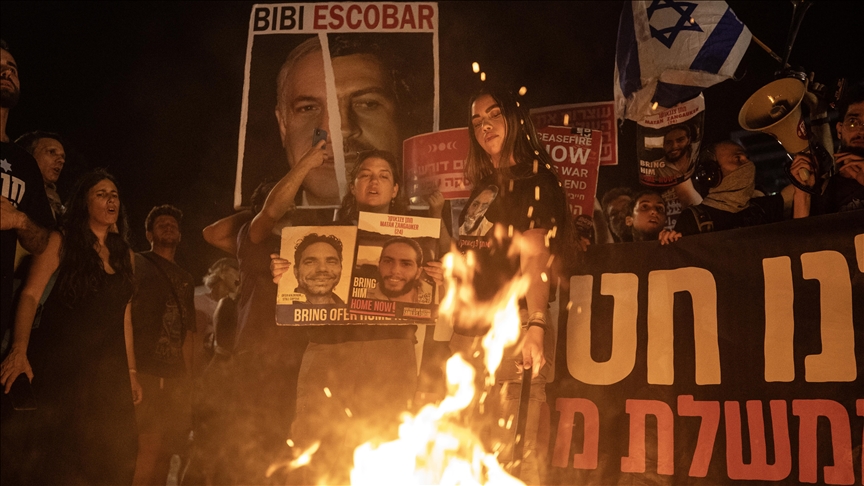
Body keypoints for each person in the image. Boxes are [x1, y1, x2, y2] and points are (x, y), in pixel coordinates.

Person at [270, 150, 441, 484]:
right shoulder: (326, 236)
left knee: (383, 449)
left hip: (390, 354)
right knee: (315, 453)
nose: (373, 181)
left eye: (383, 175)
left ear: (395, 190)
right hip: (329, 352)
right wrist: (283, 274)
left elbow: (440, 297)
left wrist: (439, 275)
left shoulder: (421, 242)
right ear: (353, 186)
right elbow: (297, 287)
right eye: (365, 174)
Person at [451, 86, 570, 484]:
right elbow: (477, 255)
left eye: (494, 115)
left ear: (515, 119)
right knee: (472, 451)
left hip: (513, 328)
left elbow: (535, 256)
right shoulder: (486, 185)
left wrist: (535, 324)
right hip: (470, 334)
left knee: (514, 453)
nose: (485, 126)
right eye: (477, 121)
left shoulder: (535, 180)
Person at [0, 169, 142, 484]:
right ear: (84, 202)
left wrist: (131, 372)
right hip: (64, 364)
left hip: (109, 369)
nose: (111, 199)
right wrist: (19, 349)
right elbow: (30, 295)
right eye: (101, 194)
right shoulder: (61, 241)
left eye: (114, 194)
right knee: (62, 454)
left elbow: (125, 316)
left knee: (116, 451)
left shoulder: (124, 254)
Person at [273, 36, 410, 206]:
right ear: (283, 127)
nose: (339, 131)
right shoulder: (246, 230)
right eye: (308, 108)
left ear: (401, 119)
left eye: (367, 104)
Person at [131, 205, 196, 486]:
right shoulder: (137, 263)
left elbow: (188, 331)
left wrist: (190, 379)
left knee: (169, 448)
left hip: (175, 376)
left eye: (173, 225)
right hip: (146, 369)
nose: (169, 227)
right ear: (149, 234)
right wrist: (130, 370)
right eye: (161, 224)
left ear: (180, 236)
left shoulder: (186, 278)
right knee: (147, 445)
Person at [0, 40, 53, 355]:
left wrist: (17, 219)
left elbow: (42, 242)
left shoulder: (23, 163)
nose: (6, 72)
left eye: (12, 69)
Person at [663, 141, 785, 241]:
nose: (748, 163)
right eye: (737, 158)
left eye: (747, 158)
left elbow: (797, 194)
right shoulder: (692, 219)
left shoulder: (760, 208)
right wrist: (669, 243)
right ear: (712, 172)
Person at [790, 82, 864, 215]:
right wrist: (802, 194)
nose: (861, 130)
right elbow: (802, 235)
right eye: (853, 122)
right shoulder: (823, 189)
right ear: (839, 130)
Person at [193, 257, 239, 376]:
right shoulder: (198, 301)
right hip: (204, 369)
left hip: (226, 371)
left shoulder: (235, 307)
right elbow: (194, 342)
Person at [367, 236, 434, 304]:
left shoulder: (435, 294)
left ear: (418, 272)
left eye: (406, 264)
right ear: (379, 265)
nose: (395, 271)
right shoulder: (364, 297)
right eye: (388, 261)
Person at [15, 131, 66, 218]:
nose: (62, 160)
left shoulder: (55, 197)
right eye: (52, 152)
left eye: (63, 156)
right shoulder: (12, 189)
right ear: (27, 155)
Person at [291, 233, 345, 304]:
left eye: (331, 262)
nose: (322, 269)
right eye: (310, 262)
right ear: (296, 271)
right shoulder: (278, 304)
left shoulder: (346, 308)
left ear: (341, 268)